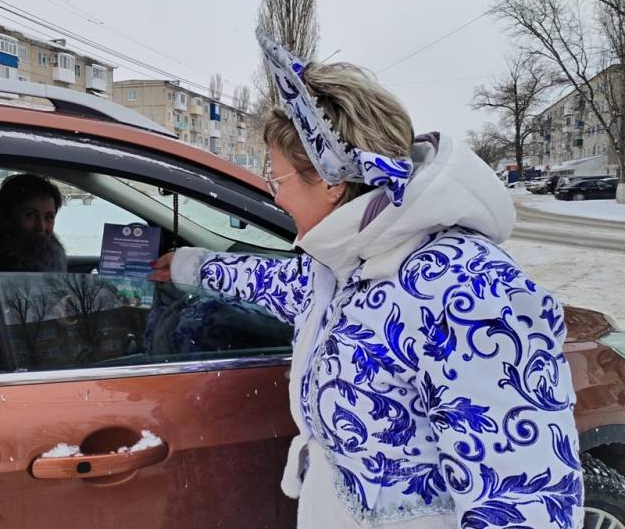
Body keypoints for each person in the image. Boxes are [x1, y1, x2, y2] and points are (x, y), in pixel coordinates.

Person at [150, 35, 583, 528]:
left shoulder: (469, 291)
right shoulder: (349, 262)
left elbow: (524, 500)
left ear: (332, 183)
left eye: (277, 179)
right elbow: (285, 284)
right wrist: (193, 266)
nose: (275, 197)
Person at [0, 173, 67, 272]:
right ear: (5, 215)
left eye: (49, 217)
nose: (41, 227)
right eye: (30, 215)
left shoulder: (48, 258)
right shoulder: (0, 262)